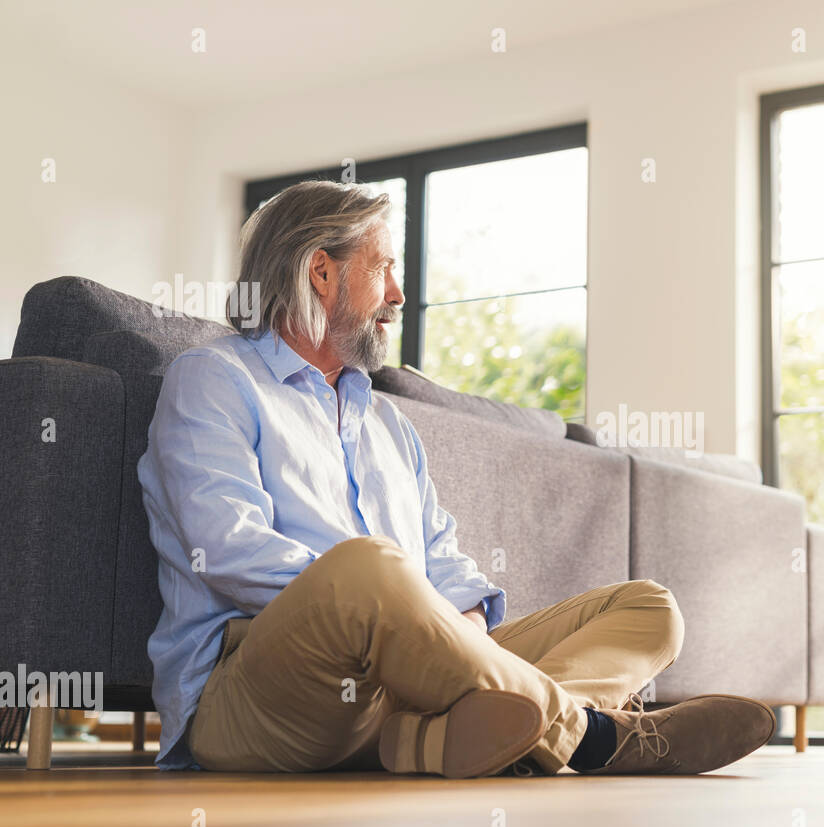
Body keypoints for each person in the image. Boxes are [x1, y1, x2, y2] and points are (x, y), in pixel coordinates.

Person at [137, 179, 774, 778]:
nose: (398, 294)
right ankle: (594, 738)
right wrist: (396, 612)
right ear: (320, 271)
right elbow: (226, 549)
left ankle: (444, 737)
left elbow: (441, 556)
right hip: (258, 694)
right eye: (382, 267)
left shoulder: (388, 421)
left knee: (646, 608)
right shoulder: (215, 378)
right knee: (368, 567)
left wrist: (455, 632)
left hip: (403, 695)